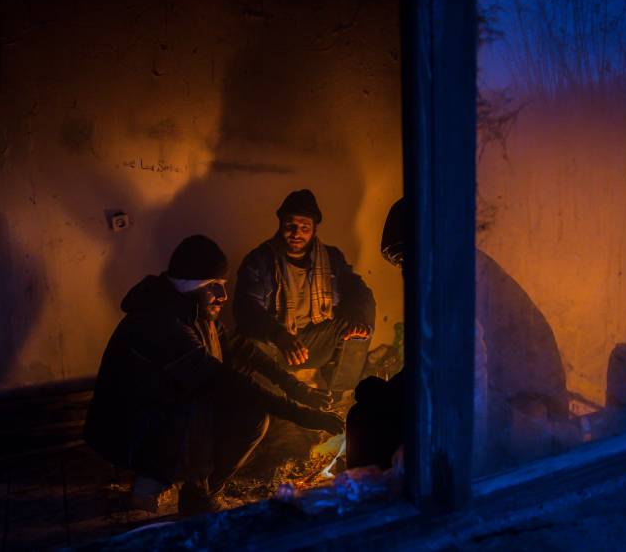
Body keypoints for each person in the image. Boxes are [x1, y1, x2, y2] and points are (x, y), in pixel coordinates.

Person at [83, 235, 344, 515]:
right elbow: (224, 382)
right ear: (191, 287)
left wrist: (297, 389)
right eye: (214, 287)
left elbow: (243, 350)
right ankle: (162, 486)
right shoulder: (161, 321)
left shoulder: (193, 309)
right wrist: (300, 414)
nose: (224, 296)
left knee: (243, 406)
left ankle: (196, 484)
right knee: (231, 413)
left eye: (223, 285)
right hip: (134, 427)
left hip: (167, 408)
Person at [346, 199, 569, 471]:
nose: (404, 271)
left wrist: (388, 394)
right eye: (401, 261)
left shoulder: (460, 280)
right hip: (512, 405)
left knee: (366, 421)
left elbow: (458, 374)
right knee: (376, 412)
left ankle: (384, 503)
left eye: (407, 257)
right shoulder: (462, 270)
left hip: (527, 417)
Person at [234, 189, 376, 392]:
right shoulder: (259, 260)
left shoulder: (331, 259)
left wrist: (358, 319)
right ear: (280, 225)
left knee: (358, 327)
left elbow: (359, 292)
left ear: (314, 229)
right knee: (250, 340)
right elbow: (246, 309)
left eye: (304, 227)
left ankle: (338, 397)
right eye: (290, 226)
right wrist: (278, 335)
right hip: (276, 345)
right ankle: (268, 402)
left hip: (314, 342)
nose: (296, 233)